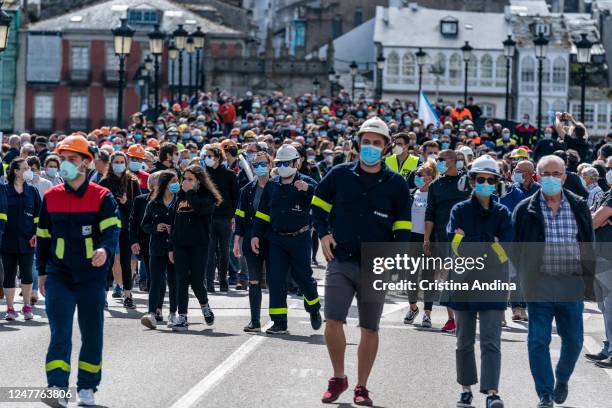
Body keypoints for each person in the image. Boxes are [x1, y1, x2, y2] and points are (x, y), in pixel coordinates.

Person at [312, 117, 412, 406]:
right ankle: (338, 377)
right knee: (333, 320)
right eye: (366, 142)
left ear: (386, 147)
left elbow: (402, 228)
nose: (370, 147)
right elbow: (318, 207)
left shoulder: (396, 184)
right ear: (358, 144)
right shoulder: (339, 174)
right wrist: (323, 234)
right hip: (341, 259)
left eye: (377, 143)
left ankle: (361, 386)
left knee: (369, 327)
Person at [37, 135, 120, 407]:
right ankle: (57, 388)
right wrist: (42, 271)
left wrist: (105, 251)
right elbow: (44, 236)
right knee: (59, 332)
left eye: (72, 159)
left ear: (86, 162)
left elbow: (111, 232)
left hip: (91, 278)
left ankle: (87, 388)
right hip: (59, 275)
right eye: (63, 159)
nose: (65, 164)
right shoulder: (51, 197)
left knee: (92, 333)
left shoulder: (102, 197)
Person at [512, 155, 595, 408]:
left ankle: (562, 378)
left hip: (571, 284)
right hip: (539, 285)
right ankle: (545, 393)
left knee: (574, 341)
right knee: (538, 340)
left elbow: (587, 243)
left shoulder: (579, 206)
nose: (551, 178)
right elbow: (515, 249)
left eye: (556, 173)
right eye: (545, 174)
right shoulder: (525, 209)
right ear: (537, 177)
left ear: (565, 177)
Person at [446, 155, 512, 408]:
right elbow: (453, 246)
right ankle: (466, 390)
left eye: (490, 179)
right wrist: (489, 243)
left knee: (491, 342)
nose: (485, 183)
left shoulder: (503, 213)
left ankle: (492, 392)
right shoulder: (459, 210)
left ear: (497, 183)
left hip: (493, 283)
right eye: (480, 179)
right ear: (471, 181)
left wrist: (470, 239)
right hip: (463, 282)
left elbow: (507, 252)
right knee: (463, 341)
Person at [251, 144, 322, 335]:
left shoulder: (308, 182)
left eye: (286, 162)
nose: (282, 166)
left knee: (304, 278)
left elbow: (324, 201)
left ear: (296, 162)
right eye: (279, 163)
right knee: (276, 280)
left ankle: (314, 309)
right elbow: (263, 213)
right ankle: (279, 322)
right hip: (276, 240)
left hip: (300, 238)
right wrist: (256, 234)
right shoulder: (272, 185)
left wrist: (309, 190)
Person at [424, 149, 472, 333]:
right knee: (448, 278)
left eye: (441, 159)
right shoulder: (436, 185)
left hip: (468, 238)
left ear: (452, 160)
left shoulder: (467, 181)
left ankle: (465, 316)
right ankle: (452, 319)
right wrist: (427, 238)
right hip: (443, 238)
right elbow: (430, 213)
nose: (439, 162)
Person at [168, 164, 220, 331]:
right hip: (180, 245)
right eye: (185, 179)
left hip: (199, 245)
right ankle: (182, 317)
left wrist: (190, 192)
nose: (186, 182)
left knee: (197, 281)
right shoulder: (180, 198)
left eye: (191, 179)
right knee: (181, 279)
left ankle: (204, 306)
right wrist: (171, 246)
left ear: (199, 181)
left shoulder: (207, 197)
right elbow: (174, 224)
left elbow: (201, 209)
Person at [233, 151, 272, 332]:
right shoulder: (247, 189)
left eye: (262, 163)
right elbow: (240, 217)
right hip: (250, 241)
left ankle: (279, 320)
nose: (259, 167)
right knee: (254, 281)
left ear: (270, 164)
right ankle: (255, 321)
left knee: (275, 281)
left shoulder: (277, 186)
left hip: (273, 241)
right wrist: (236, 240)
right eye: (255, 165)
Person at [99, 152, 142, 308]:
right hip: (109, 226)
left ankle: (128, 295)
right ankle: (103, 295)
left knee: (126, 261)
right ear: (111, 164)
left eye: (121, 161)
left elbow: (138, 207)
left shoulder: (132, 181)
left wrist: (126, 202)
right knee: (108, 261)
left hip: (126, 227)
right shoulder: (104, 182)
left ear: (126, 162)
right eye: (116, 161)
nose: (119, 164)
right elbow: (100, 205)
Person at [2, 158, 41, 321]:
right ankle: (10, 308)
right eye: (25, 168)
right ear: (16, 171)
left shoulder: (32, 191)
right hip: (7, 240)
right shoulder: (3, 190)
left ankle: (26, 306)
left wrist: (36, 234)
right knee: (9, 274)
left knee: (27, 274)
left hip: (27, 240)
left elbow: (39, 215)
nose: (28, 171)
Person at [140, 170, 179, 329]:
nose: (176, 184)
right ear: (164, 184)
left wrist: (174, 229)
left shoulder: (180, 201)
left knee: (173, 281)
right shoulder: (153, 203)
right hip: (156, 248)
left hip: (175, 248)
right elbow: (144, 225)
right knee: (155, 281)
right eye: (173, 181)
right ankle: (151, 313)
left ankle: (173, 313)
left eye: (177, 180)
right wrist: (156, 227)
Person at [403, 160, 437, 328]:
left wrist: (429, 239)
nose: (416, 177)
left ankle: (427, 314)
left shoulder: (434, 195)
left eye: (420, 175)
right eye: (416, 175)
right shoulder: (410, 194)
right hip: (412, 238)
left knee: (428, 276)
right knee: (410, 275)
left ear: (430, 178)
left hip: (428, 239)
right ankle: (413, 307)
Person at [203, 144, 239, 292]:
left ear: (218, 158)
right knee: (209, 251)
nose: (207, 159)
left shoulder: (229, 174)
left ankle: (223, 281)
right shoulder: (203, 174)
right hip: (208, 218)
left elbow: (236, 196)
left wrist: (232, 216)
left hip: (225, 218)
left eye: (210, 156)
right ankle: (209, 283)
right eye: (206, 156)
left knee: (224, 250)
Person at [588, 155, 612, 368]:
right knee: (605, 305)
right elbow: (595, 218)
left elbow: (595, 220)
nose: (609, 171)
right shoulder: (607, 193)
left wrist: (598, 219)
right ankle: (609, 346)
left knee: (610, 305)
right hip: (602, 255)